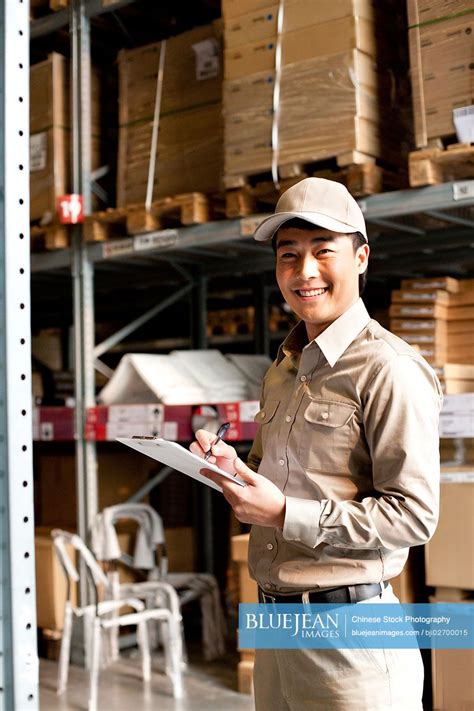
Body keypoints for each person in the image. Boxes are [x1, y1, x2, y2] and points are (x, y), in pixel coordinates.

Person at [191, 177, 443, 710]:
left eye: (323, 251)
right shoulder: (283, 370)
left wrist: (285, 512)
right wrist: (232, 469)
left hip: (350, 637)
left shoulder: (389, 369)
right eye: (288, 256)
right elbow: (274, 484)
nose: (303, 272)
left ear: (361, 257)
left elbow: (414, 516)